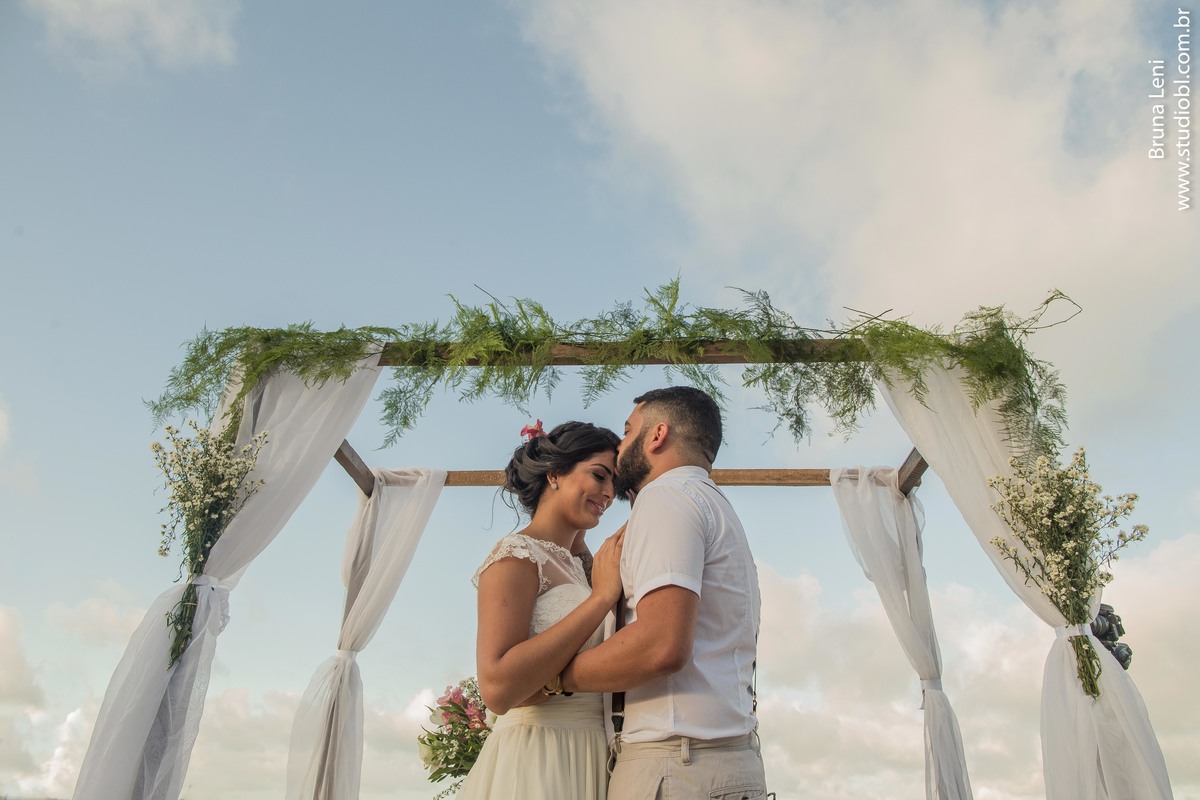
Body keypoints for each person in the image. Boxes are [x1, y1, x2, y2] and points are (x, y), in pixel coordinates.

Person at [561, 387, 766, 799]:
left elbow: (662, 644)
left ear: (656, 436)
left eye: (627, 431)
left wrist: (554, 679)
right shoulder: (713, 504)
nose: (619, 448)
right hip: (717, 760)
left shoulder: (666, 497)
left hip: (678, 768)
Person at [458, 420, 625, 800]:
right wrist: (600, 599)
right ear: (554, 474)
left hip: (592, 755)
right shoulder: (515, 555)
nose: (609, 492)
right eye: (599, 475)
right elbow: (497, 689)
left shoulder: (579, 565)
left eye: (614, 483)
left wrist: (583, 551)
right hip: (539, 756)